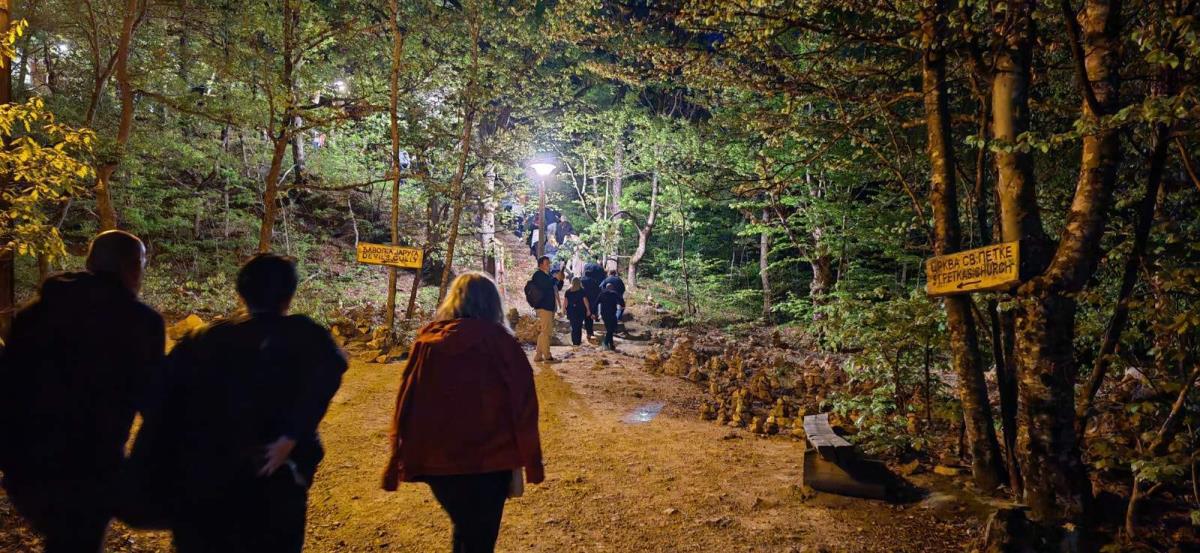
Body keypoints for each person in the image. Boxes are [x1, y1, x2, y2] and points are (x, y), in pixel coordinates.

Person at [164, 253, 347, 553]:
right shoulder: (306, 335)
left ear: (241, 293)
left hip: (209, 479)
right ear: (289, 296)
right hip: (278, 477)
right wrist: (292, 435)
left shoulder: (205, 338)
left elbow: (162, 394)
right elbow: (333, 368)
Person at [0, 230, 165, 553]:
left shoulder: (34, 314)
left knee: (66, 540)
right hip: (90, 467)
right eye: (142, 264)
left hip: (26, 463)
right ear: (133, 267)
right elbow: (155, 402)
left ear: (90, 263)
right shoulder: (140, 323)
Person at [382, 272, 544, 553]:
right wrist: (532, 461)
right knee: (479, 540)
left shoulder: (427, 343)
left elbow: (406, 402)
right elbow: (524, 406)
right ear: (493, 303)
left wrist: (396, 456)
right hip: (490, 463)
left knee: (467, 531)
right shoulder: (502, 344)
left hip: (441, 464)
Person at [529, 256, 558, 363]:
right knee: (546, 332)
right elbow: (547, 285)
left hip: (548, 307)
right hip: (543, 307)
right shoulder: (538, 275)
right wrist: (556, 279)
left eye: (549, 263)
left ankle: (538, 355)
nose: (549, 265)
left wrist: (560, 280)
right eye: (547, 263)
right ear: (541, 265)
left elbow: (556, 287)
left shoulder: (547, 275)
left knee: (545, 331)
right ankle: (547, 356)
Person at [595, 283, 625, 351]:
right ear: (612, 287)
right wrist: (622, 306)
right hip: (612, 314)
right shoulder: (614, 293)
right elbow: (621, 301)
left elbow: (596, 303)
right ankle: (605, 343)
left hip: (604, 314)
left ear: (606, 287)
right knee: (611, 329)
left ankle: (611, 346)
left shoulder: (602, 294)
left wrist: (595, 314)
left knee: (609, 329)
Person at [562, 277, 591, 347]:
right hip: (580, 310)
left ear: (572, 282)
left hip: (571, 310)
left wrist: (564, 309)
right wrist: (588, 310)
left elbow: (565, 302)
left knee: (573, 326)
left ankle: (574, 341)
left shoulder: (568, 291)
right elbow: (585, 301)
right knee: (579, 326)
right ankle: (578, 341)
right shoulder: (582, 291)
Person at [579, 265, 603, 340]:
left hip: (580, 302)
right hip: (591, 302)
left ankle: (578, 334)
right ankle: (589, 333)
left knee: (579, 319)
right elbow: (598, 292)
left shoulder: (580, 280)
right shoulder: (594, 281)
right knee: (589, 319)